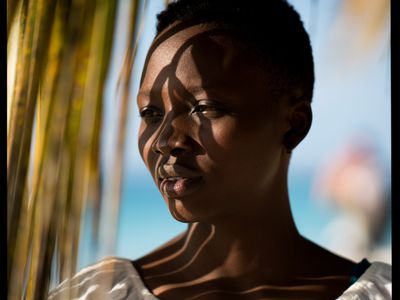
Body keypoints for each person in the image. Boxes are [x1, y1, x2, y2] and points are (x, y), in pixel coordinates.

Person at [48, 0, 391, 299]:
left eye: (205, 108)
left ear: (294, 124)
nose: (166, 140)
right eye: (151, 114)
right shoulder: (96, 294)